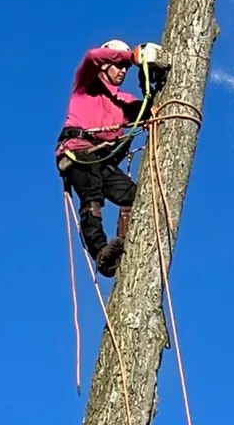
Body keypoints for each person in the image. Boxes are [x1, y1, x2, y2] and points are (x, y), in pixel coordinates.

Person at [56, 39, 162, 277]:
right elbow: (92, 57)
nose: (123, 71)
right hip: (77, 151)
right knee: (91, 195)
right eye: (118, 65)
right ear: (106, 64)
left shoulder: (123, 102)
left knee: (134, 196)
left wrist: (151, 83)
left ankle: (125, 246)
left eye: (126, 68)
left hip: (101, 160)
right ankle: (101, 253)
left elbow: (146, 109)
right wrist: (130, 57)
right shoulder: (86, 84)